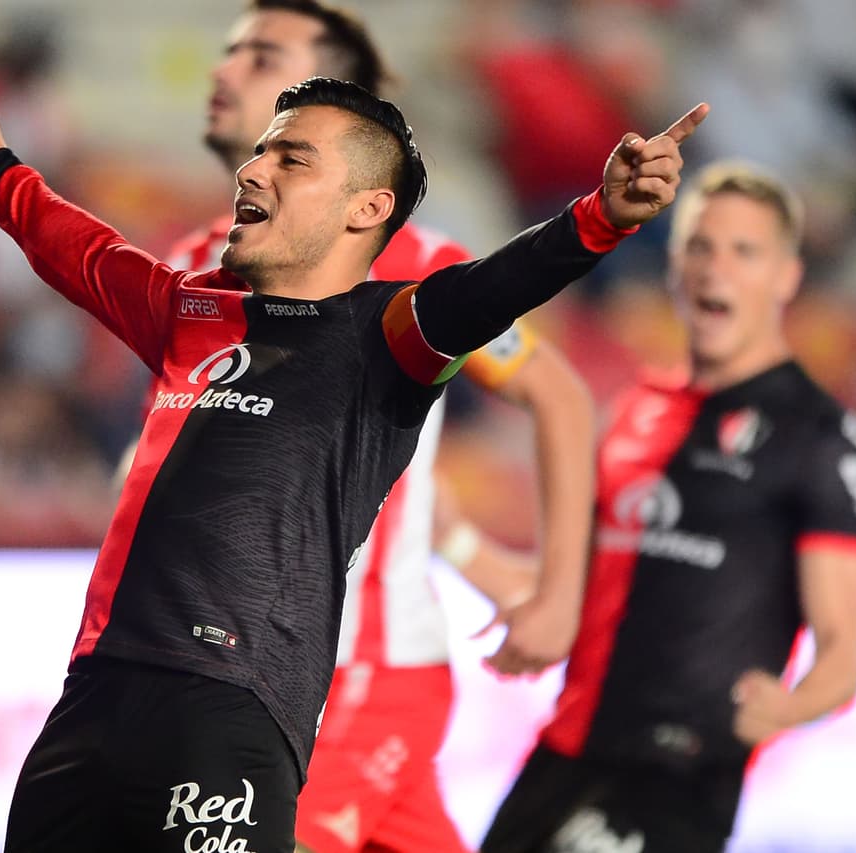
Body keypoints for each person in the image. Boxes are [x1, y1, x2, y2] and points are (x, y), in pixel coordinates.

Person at [0, 62, 706, 853]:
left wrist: (602, 216)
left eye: (292, 157)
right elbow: (83, 250)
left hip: (229, 714)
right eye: (261, 152)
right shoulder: (188, 311)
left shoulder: (391, 336)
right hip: (87, 704)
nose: (253, 168)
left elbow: (501, 284)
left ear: (367, 208)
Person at [168, 4, 596, 851]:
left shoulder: (413, 265)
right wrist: (477, 556)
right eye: (229, 55)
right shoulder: (189, 268)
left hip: (352, 671)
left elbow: (560, 396)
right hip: (241, 669)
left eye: (262, 60)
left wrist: (557, 593)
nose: (226, 74)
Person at [480, 161, 856, 853]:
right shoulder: (639, 405)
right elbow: (577, 583)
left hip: (677, 779)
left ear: (786, 277)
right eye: (699, 245)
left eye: (743, 250)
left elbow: (842, 652)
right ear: (673, 266)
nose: (714, 268)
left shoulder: (820, 436)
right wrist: (459, 543)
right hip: (563, 750)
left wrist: (790, 705)